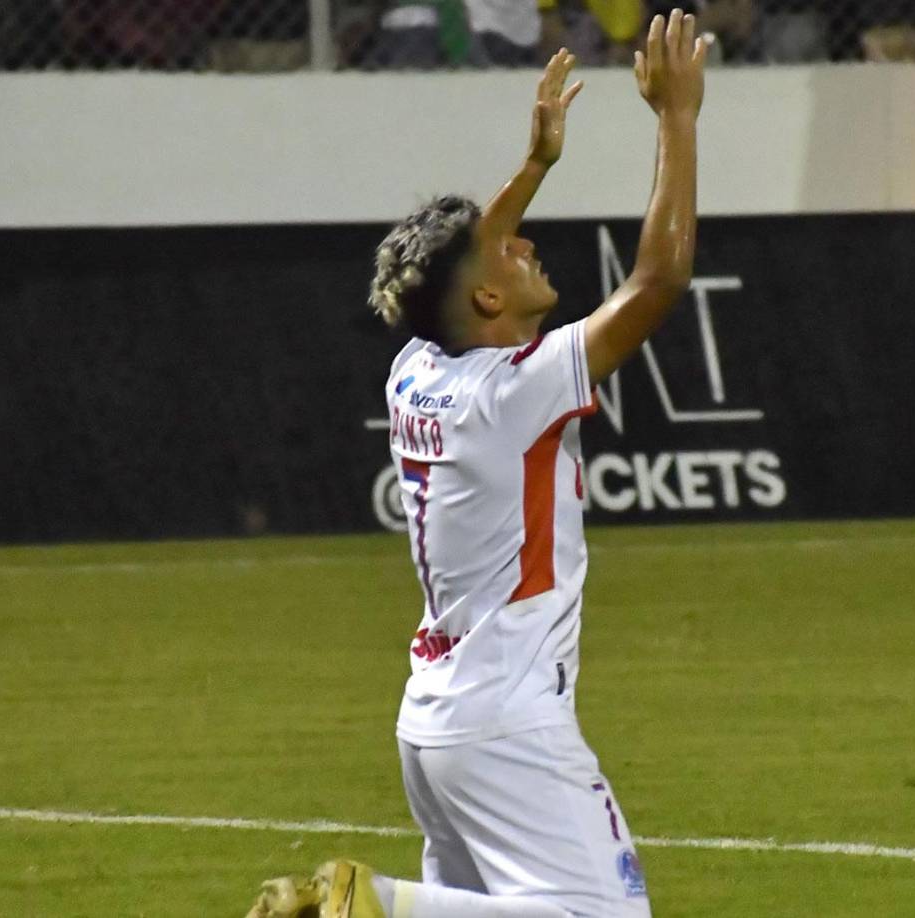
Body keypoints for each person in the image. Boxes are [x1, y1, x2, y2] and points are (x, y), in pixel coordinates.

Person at [244, 10, 706, 918]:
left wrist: (533, 167)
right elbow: (657, 281)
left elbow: (459, 271)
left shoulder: (415, 366)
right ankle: (371, 904)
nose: (524, 238)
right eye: (509, 246)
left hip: (433, 722)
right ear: (489, 295)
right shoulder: (514, 391)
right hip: (507, 721)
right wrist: (677, 119)